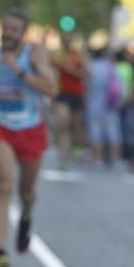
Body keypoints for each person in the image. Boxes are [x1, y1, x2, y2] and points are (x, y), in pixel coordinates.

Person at [0, 8, 58, 267]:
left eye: (14, 30)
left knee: (26, 192)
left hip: (31, 130)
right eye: (5, 29)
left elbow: (51, 88)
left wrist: (19, 71)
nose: (8, 34)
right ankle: (0, 251)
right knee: (5, 186)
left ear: (23, 33)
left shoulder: (34, 54)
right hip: (3, 129)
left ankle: (26, 216)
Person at [53, 34, 88, 169]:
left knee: (76, 126)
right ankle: (63, 156)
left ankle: (76, 150)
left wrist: (72, 69)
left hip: (77, 94)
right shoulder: (57, 54)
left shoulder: (79, 55)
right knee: (64, 125)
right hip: (63, 94)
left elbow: (87, 72)